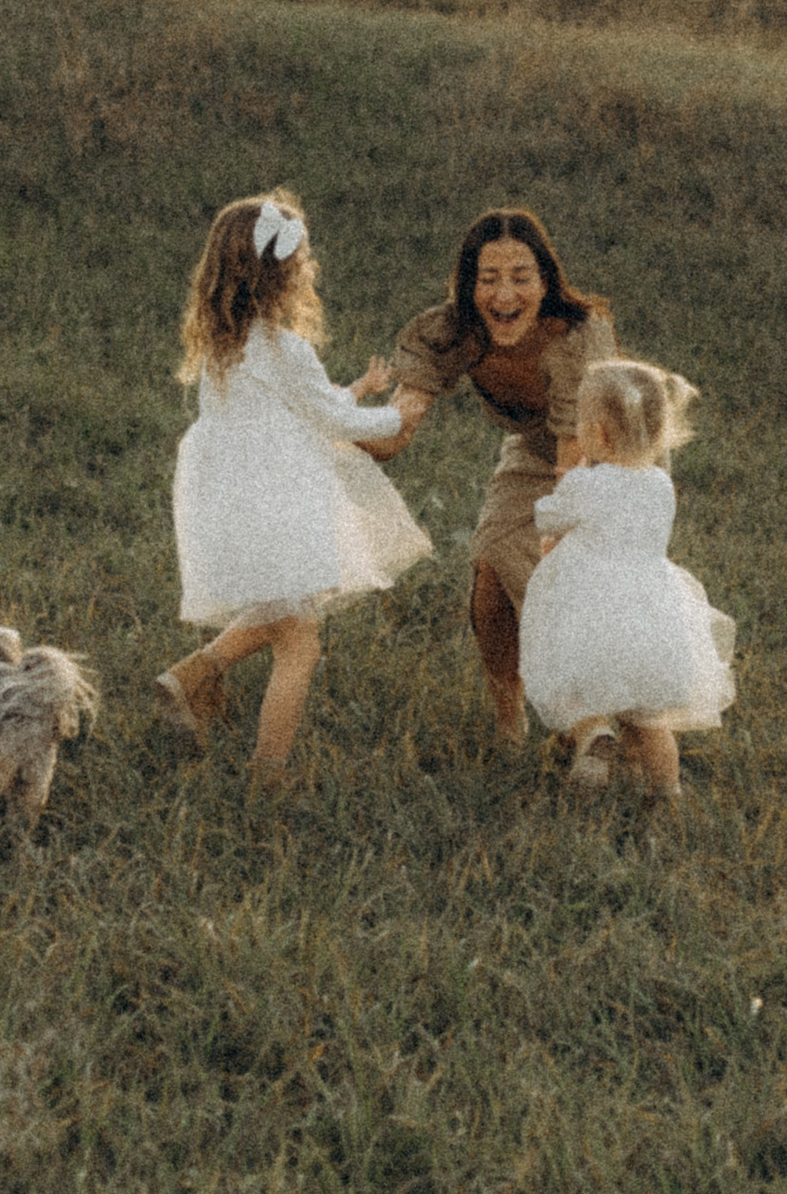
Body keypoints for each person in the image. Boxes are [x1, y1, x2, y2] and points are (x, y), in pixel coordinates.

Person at [153, 189, 430, 786]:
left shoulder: (225, 349)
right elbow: (330, 423)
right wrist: (398, 417)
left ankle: (190, 675)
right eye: (303, 262)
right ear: (279, 276)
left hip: (235, 500)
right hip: (279, 505)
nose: (310, 271)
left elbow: (302, 404)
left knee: (284, 616)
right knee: (298, 642)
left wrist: (355, 389)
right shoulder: (286, 348)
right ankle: (268, 773)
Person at [370, 209, 616, 746]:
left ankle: (591, 724)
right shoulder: (451, 332)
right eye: (488, 279)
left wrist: (552, 544)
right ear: (466, 284)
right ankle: (511, 724)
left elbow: (575, 465)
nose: (504, 295)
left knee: (550, 585)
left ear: (546, 281)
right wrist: (335, 434)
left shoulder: (577, 337)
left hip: (606, 463)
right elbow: (397, 430)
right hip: (532, 450)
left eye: (521, 278)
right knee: (489, 581)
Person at [518, 358, 735, 802]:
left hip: (592, 611)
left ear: (596, 434)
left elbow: (546, 518)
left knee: (570, 689)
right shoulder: (660, 485)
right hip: (653, 617)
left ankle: (595, 732)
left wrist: (567, 482)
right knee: (651, 721)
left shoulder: (587, 484)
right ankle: (667, 794)